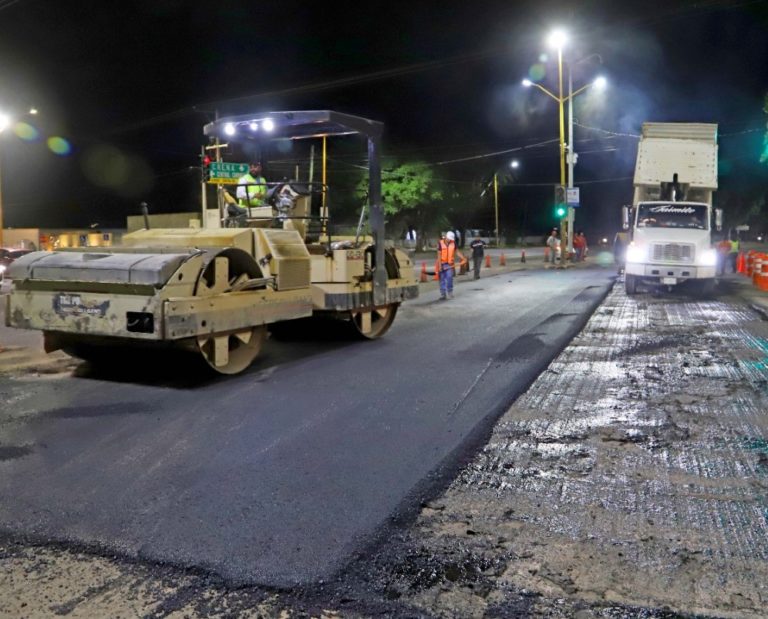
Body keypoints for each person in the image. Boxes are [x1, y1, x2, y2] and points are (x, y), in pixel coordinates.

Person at [436, 231, 465, 300]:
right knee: (442, 279)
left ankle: (450, 292)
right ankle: (443, 294)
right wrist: (439, 266)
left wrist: (463, 258)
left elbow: (457, 252)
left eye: (450, 239)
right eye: (449, 238)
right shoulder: (440, 243)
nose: (449, 240)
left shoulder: (453, 243)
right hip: (442, 263)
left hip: (449, 264)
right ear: (446, 237)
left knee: (449, 278)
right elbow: (439, 255)